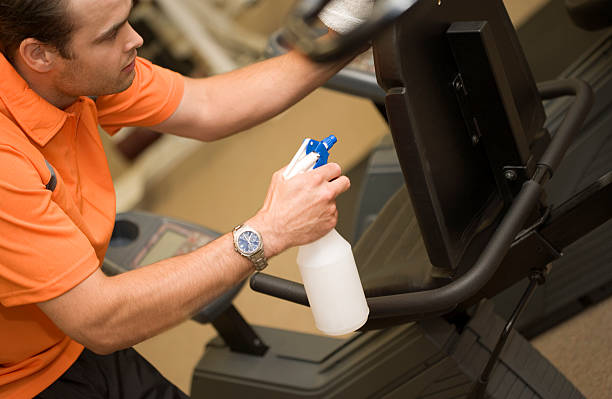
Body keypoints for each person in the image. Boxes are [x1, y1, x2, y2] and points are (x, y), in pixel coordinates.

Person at [0, 0, 376, 397]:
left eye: (126, 20)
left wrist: (350, 25)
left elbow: (209, 107)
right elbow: (99, 318)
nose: (135, 39)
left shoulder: (73, 75)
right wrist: (268, 232)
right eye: (110, 35)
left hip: (66, 341)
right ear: (38, 54)